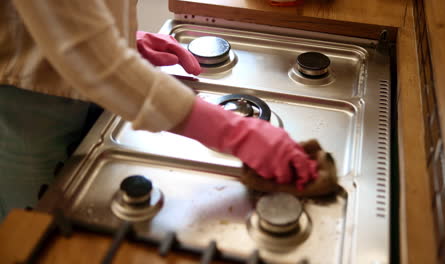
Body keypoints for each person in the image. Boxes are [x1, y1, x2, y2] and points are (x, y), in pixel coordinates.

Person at [0, 1, 319, 221]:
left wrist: (120, 38)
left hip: (71, 76)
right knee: (31, 222)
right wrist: (232, 132)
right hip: (24, 101)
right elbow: (84, 56)